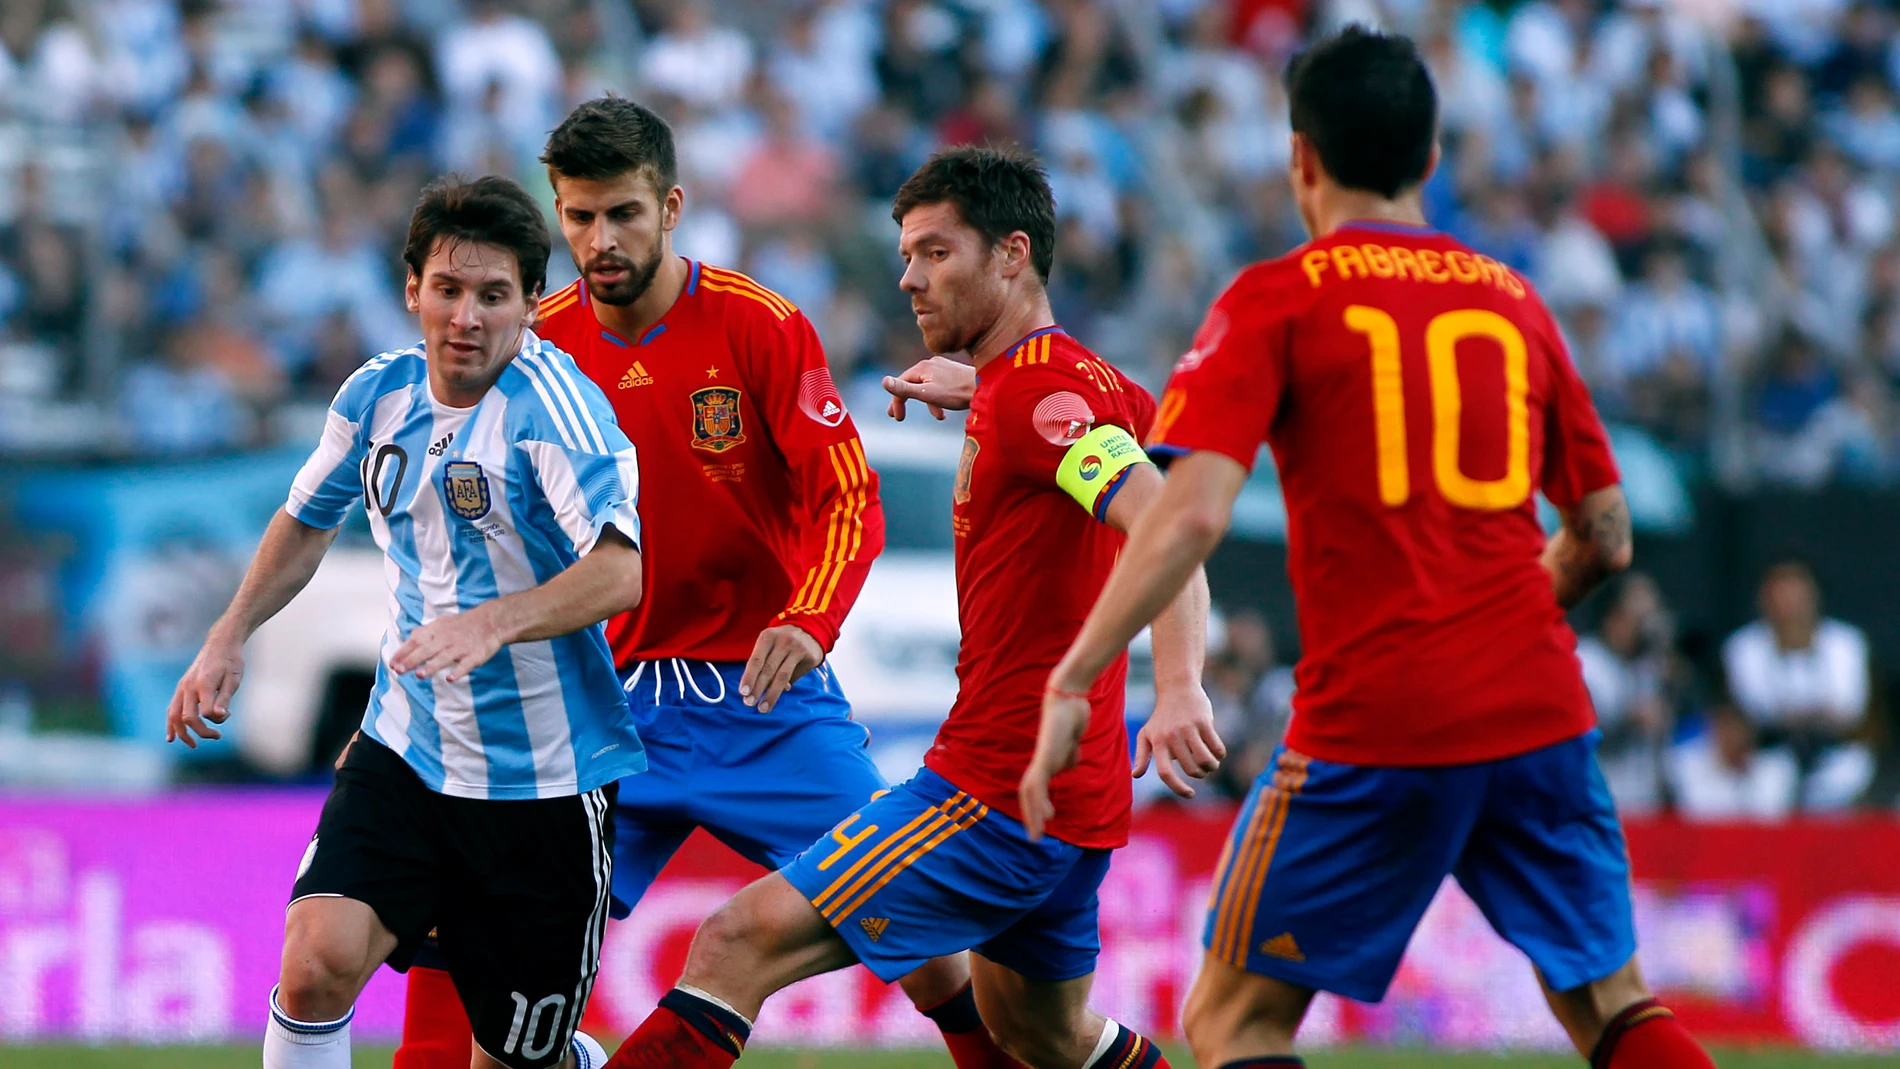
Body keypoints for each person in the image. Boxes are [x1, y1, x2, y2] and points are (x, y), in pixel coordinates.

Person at [1029, 28, 1718, 1069]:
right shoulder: (1515, 300)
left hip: (1378, 716)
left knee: (1232, 1023)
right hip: (1538, 706)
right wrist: (1501, 619)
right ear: (1429, 161)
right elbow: (1605, 533)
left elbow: (1193, 511)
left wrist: (1076, 676)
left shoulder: (1276, 298)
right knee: (1612, 1002)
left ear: (1299, 155)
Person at [392, 97, 1016, 1069]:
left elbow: (846, 494)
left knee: (921, 941)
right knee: (468, 925)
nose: (601, 239)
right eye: (580, 215)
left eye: (623, 214)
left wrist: (810, 620)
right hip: (602, 714)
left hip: (763, 697)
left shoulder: (758, 326)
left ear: (670, 204)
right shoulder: (533, 346)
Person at [599, 146, 1221, 1069]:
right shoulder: (1083, 380)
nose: (908, 278)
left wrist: (1180, 687)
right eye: (906, 254)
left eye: (936, 253)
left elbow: (1164, 522)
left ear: (1012, 255)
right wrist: (991, 390)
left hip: (991, 790)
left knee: (734, 943)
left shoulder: (1037, 398)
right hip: (1077, 800)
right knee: (1042, 1035)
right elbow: (1111, 452)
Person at [165, 175, 645, 1069]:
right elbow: (307, 521)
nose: (467, 316)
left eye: (494, 295)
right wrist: (228, 632)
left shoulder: (558, 410)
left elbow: (622, 570)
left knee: (509, 1057)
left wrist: (497, 620)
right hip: (406, 749)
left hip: (541, 786)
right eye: (450, 289)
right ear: (411, 288)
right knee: (313, 965)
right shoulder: (376, 395)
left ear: (532, 305)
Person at [1721, 557, 1875, 810]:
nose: (1789, 604)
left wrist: (1807, 715)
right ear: (1764, 599)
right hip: (1769, 756)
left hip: (1835, 755)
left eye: (1796, 593)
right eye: (1780, 594)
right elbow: (1753, 709)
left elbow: (1850, 709)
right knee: (1767, 784)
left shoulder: (1846, 643)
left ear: (1813, 596)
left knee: (1850, 775)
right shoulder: (1742, 648)